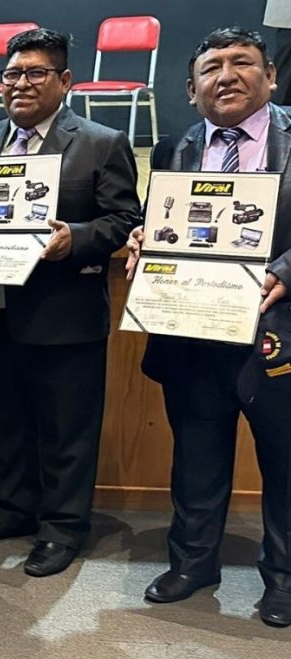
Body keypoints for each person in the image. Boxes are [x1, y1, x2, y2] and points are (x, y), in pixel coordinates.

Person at [0, 28, 141, 577]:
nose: (20, 84)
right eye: (12, 74)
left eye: (35, 73)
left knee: (66, 430)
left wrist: (73, 240)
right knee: (5, 419)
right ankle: (14, 508)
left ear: (64, 81)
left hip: (63, 316)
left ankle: (63, 528)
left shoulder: (101, 142)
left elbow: (124, 221)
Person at [124, 27, 291, 627]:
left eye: (242, 62)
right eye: (211, 67)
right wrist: (145, 237)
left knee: (286, 460)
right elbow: (165, 223)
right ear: (192, 90)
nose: (226, 75)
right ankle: (193, 563)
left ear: (270, 74)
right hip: (192, 330)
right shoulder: (175, 148)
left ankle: (285, 579)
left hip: (276, 330)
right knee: (196, 454)